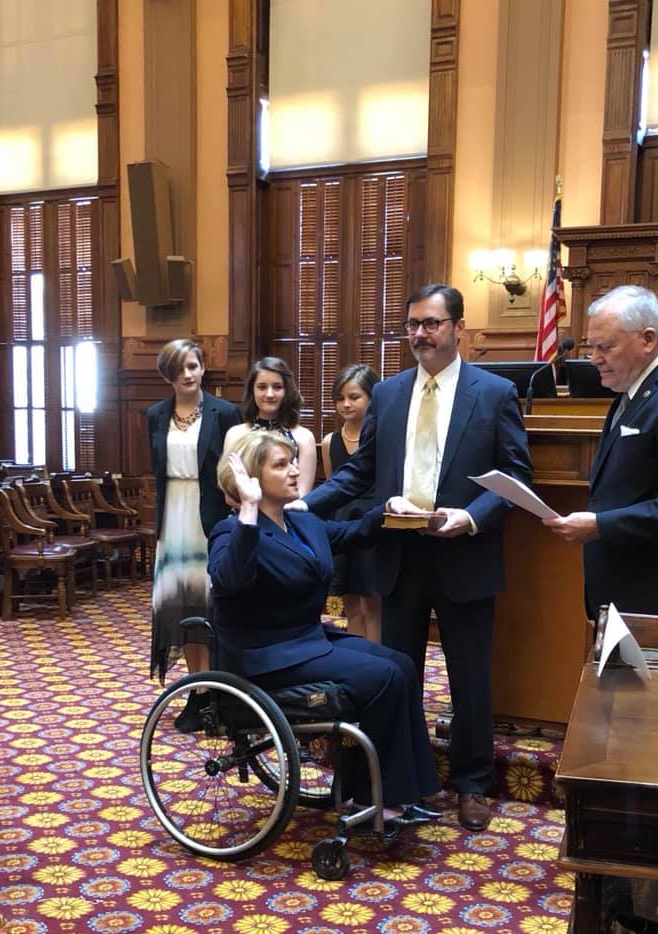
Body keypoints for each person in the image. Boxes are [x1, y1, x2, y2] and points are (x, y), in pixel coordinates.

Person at [293, 282, 533, 832]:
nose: (420, 335)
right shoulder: (391, 393)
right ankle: (402, 779)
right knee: (396, 673)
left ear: (458, 329)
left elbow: (516, 476)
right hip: (397, 554)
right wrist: (305, 504)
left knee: (469, 676)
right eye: (412, 325)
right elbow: (361, 470)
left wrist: (470, 516)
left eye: (431, 323)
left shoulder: (494, 393)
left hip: (464, 552)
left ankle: (473, 783)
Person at [208, 431, 441, 823]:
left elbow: (352, 534)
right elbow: (229, 580)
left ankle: (398, 788)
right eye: (281, 465)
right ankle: (375, 795)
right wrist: (248, 510)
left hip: (307, 640)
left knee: (401, 664)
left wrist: (386, 509)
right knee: (383, 676)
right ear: (252, 477)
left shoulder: (301, 523)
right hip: (264, 655)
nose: (295, 470)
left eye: (293, 461)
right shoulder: (232, 531)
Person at [543, 285, 658, 619]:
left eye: (605, 347)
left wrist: (602, 525)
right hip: (624, 592)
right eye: (592, 347)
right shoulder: (633, 391)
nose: (594, 358)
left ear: (647, 339)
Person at [147, 339, 241, 730]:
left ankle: (220, 694)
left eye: (194, 366)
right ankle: (196, 692)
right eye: (180, 368)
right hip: (173, 518)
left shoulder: (224, 413)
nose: (188, 374)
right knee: (181, 607)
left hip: (210, 518)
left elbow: (237, 469)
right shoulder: (155, 415)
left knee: (211, 605)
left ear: (203, 369)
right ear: (168, 374)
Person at [321, 363, 382, 642]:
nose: (346, 404)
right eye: (340, 398)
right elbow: (333, 485)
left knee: (373, 603)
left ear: (371, 398)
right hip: (343, 526)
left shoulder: (382, 437)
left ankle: (378, 661)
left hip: (373, 525)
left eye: (354, 397)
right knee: (349, 604)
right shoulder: (329, 441)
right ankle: (359, 658)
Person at [223, 357, 317, 497]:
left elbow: (302, 495)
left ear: (287, 391)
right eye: (262, 387)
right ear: (252, 391)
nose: (269, 394)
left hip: (288, 515)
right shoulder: (236, 435)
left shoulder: (304, 437)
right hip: (243, 514)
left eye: (277, 387)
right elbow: (229, 494)